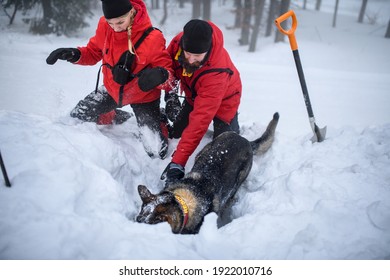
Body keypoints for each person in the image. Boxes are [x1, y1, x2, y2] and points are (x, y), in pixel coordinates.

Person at [46, 0, 174, 159]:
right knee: (78, 116)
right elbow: (93, 52)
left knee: (155, 151)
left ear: (132, 12)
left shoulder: (153, 37)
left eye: (120, 22)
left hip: (144, 97)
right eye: (110, 23)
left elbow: (170, 78)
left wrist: (160, 76)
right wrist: (74, 54)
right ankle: (114, 115)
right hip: (112, 90)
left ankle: (159, 119)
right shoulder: (104, 27)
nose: (115, 27)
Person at [161, 19, 242, 184]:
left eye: (197, 56)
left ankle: (231, 126)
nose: (190, 60)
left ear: (208, 50)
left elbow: (200, 121)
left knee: (224, 147)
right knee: (176, 133)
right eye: (187, 54)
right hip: (194, 95)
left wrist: (178, 163)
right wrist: (170, 94)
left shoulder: (216, 73)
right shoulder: (179, 43)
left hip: (226, 99)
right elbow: (168, 67)